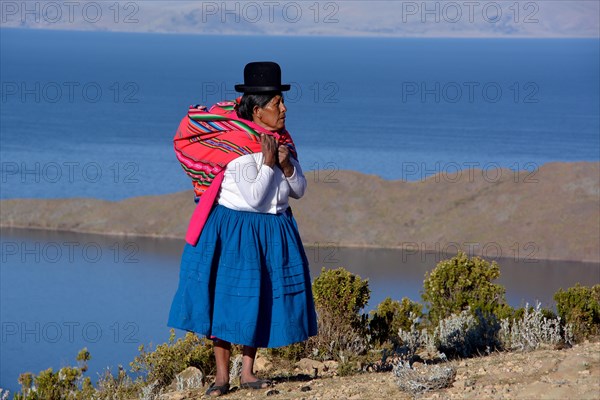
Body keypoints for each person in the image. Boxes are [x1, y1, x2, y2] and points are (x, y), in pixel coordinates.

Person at [167, 61, 318, 397]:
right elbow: (252, 196)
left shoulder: (282, 142)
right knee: (225, 301)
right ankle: (222, 378)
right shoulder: (235, 145)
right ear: (256, 109)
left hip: (275, 228)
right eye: (277, 103)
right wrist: (267, 163)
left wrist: (286, 164)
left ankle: (247, 372)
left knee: (260, 298)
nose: (284, 108)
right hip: (237, 229)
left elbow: (299, 189)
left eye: (282, 101)